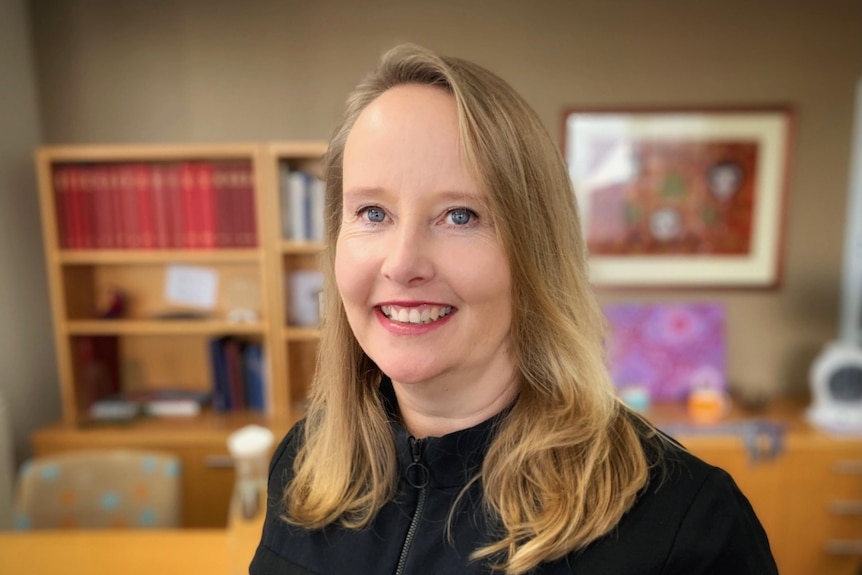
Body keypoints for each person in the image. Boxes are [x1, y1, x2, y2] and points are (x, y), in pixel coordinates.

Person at [250, 44, 778, 575]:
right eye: (372, 212)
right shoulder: (301, 463)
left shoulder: (688, 523)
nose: (403, 262)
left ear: (535, 251)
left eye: (459, 215)